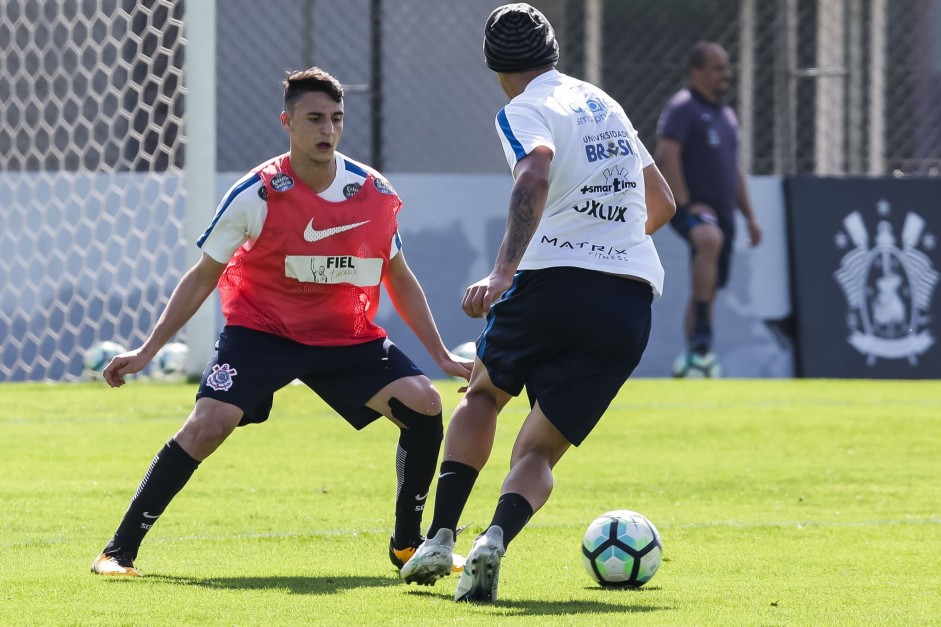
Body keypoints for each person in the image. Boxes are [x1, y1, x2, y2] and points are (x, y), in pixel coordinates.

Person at [90, 67, 471, 577]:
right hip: (261, 331)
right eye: (314, 119)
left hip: (343, 336)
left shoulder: (374, 193)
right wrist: (147, 350)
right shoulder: (257, 194)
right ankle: (117, 552)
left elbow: (398, 277)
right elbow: (203, 276)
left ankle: (409, 546)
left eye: (336, 119)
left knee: (424, 405)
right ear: (287, 122)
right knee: (208, 426)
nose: (328, 130)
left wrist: (441, 355)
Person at [400, 3, 675, 603]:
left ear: (494, 66)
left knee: (483, 394)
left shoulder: (524, 109)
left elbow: (534, 174)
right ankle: (494, 538)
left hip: (549, 284)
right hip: (628, 301)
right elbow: (663, 202)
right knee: (539, 449)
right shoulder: (603, 102)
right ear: (553, 52)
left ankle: (442, 537)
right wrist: (611, 248)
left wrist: (503, 271)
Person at [654, 41, 762, 375]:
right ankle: (701, 341)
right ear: (697, 71)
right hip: (695, 210)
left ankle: (696, 354)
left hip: (724, 213)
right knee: (708, 240)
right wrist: (684, 205)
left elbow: (733, 171)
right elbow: (666, 156)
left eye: (727, 68)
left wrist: (751, 218)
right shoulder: (682, 108)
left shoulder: (726, 115)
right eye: (718, 68)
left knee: (712, 287)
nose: (725, 75)